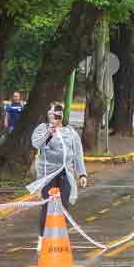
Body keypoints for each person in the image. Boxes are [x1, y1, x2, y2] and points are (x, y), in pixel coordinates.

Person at [30, 103, 88, 241]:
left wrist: (82, 174)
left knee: (64, 205)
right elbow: (36, 144)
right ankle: (43, 238)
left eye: (58, 112)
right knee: (47, 205)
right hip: (48, 173)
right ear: (48, 113)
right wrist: (49, 132)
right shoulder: (43, 128)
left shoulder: (70, 131)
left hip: (66, 172)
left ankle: (60, 237)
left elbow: (77, 153)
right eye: (52, 112)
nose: (55, 115)